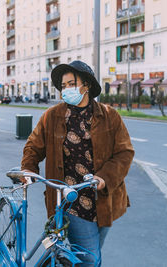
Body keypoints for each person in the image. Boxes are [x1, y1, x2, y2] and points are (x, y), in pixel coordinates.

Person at [21, 60, 134, 266]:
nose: (66, 90)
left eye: (71, 84)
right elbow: (33, 146)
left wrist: (104, 177)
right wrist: (29, 169)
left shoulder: (110, 116)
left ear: (86, 85)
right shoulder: (52, 116)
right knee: (89, 259)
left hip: (103, 199)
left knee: (90, 254)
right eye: (63, 86)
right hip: (70, 199)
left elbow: (124, 153)